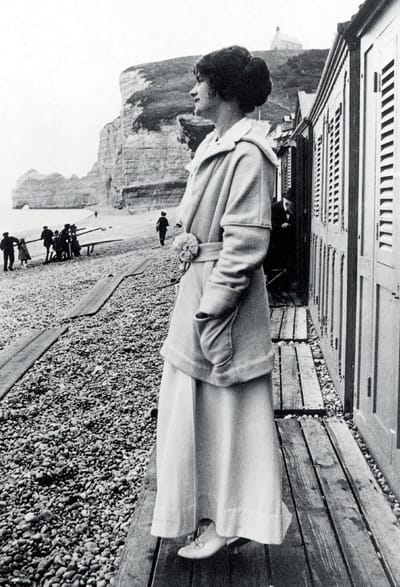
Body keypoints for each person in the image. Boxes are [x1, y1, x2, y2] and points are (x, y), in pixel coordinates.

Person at [151, 46, 291, 559]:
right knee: (200, 412)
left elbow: (246, 244)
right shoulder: (216, 144)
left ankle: (231, 520)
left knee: (231, 414)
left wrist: (212, 310)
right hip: (201, 290)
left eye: (201, 81)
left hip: (221, 300)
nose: (193, 90)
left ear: (224, 90)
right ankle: (213, 514)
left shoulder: (248, 153)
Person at [264, 187, 296, 289]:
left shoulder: (293, 210)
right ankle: (274, 287)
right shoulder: (273, 208)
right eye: (292, 206)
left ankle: (284, 286)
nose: (294, 209)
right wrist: (281, 227)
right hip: (275, 244)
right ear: (287, 204)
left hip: (288, 244)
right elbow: (270, 227)